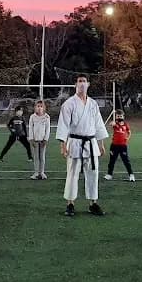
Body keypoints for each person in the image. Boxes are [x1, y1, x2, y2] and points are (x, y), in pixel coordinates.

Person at [56, 74, 108, 217]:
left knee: (93, 173)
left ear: (88, 84)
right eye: (79, 81)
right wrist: (63, 145)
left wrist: (101, 144)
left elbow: (98, 124)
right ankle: (70, 204)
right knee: (72, 174)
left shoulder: (93, 104)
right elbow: (63, 125)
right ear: (75, 85)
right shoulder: (69, 103)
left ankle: (93, 203)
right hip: (75, 143)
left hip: (91, 143)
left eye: (84, 81)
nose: (82, 84)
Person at [104, 109, 135, 182]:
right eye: (118, 116)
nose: (119, 117)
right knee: (112, 161)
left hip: (123, 146)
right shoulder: (115, 123)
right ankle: (109, 174)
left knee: (126, 161)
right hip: (114, 146)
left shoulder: (125, 124)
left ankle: (131, 175)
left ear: (123, 116)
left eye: (120, 116)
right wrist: (112, 123)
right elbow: (111, 124)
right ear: (116, 117)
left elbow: (129, 132)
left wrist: (127, 138)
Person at [27, 100, 51, 180]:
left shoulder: (47, 117)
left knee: (42, 157)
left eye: (41, 106)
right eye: (38, 106)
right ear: (35, 107)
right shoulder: (32, 117)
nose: (39, 108)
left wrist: (46, 139)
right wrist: (31, 139)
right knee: (36, 157)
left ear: (44, 108)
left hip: (43, 140)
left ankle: (42, 172)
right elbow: (30, 128)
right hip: (35, 140)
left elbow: (47, 129)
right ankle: (36, 173)